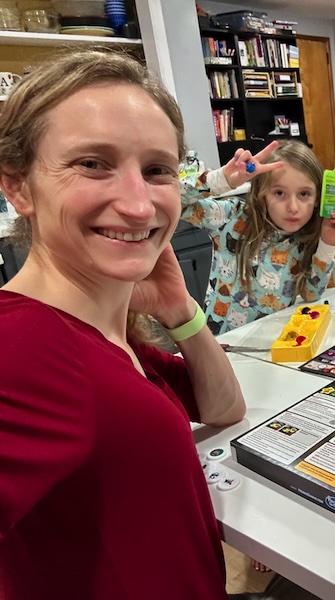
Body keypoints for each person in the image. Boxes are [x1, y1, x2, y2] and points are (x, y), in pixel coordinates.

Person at [0, 49, 246, 599]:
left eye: (157, 170)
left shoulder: (103, 336)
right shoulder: (26, 348)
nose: (139, 206)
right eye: (93, 163)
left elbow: (224, 408)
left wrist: (181, 313)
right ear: (18, 187)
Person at [181, 140, 335, 335]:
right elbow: (173, 201)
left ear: (317, 198)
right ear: (262, 194)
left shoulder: (306, 234)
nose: (293, 207)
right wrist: (221, 180)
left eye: (304, 194)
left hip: (271, 344)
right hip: (223, 345)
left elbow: (311, 294)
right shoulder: (231, 217)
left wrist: (328, 241)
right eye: (279, 193)